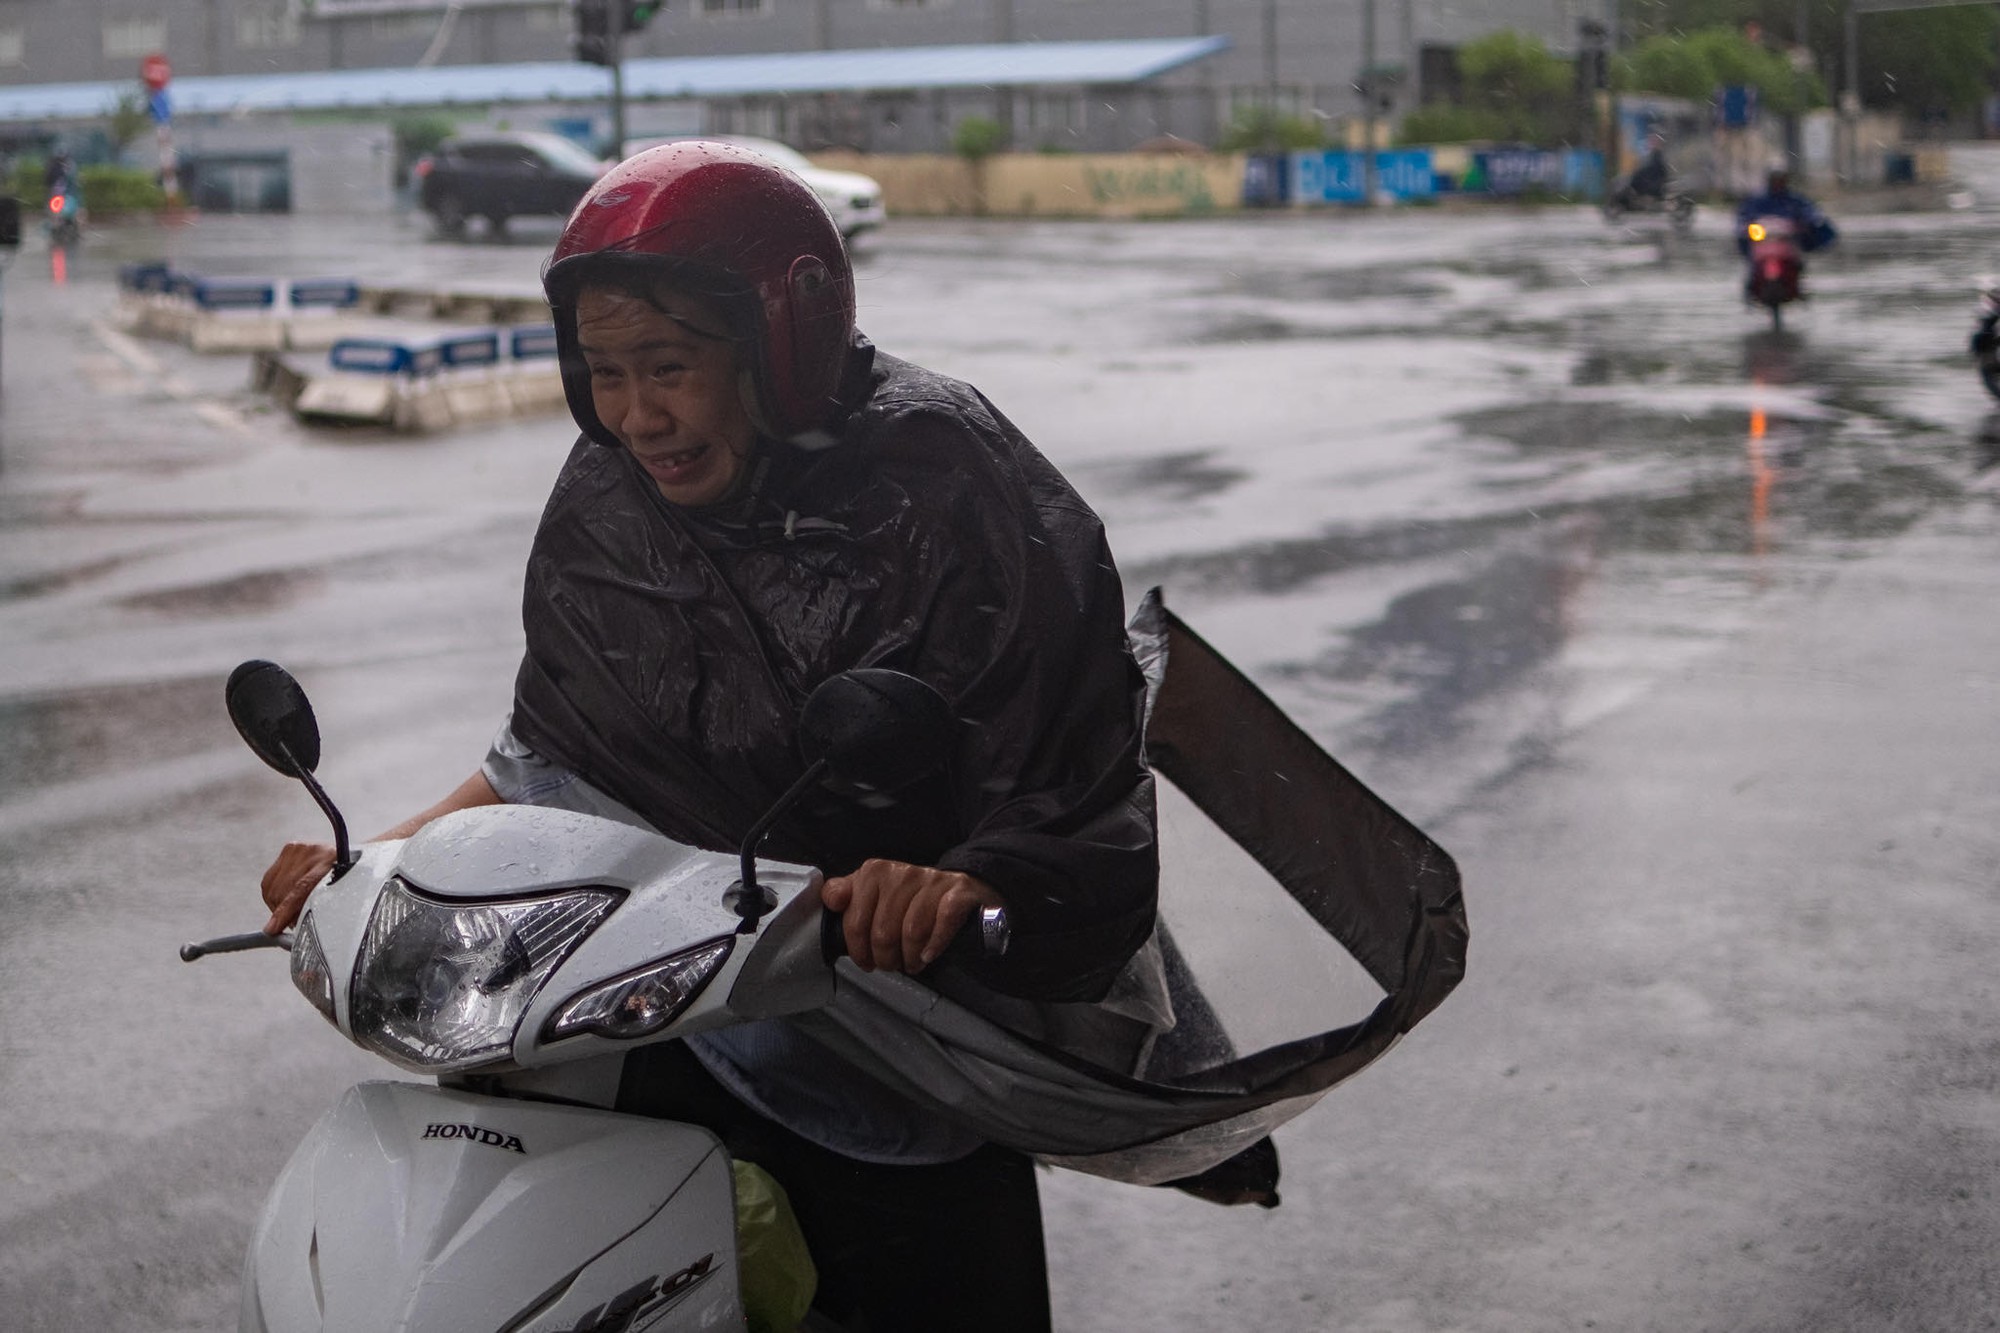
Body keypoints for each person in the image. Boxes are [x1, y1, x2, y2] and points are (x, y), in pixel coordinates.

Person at [257, 140, 1159, 1332]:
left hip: (888, 1047)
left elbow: (1063, 776)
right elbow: (557, 751)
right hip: (646, 1005)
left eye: (669, 366)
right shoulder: (608, 493)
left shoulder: (949, 481)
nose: (638, 414)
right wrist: (369, 859)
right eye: (607, 372)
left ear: (782, 340)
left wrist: (956, 880)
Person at [1735, 167, 1837, 256]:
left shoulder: (1795, 200)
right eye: (1775, 179)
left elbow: (1811, 213)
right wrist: (1745, 227)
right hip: (1763, 243)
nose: (1778, 182)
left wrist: (1811, 222)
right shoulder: (1756, 200)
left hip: (1788, 242)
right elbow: (1744, 216)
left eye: (1780, 179)